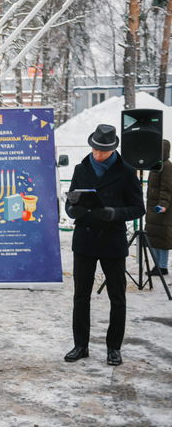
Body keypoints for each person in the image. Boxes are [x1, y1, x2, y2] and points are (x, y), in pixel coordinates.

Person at [64, 124, 145, 366]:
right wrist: (72, 209)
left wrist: (114, 213)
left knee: (117, 297)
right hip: (85, 239)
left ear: (113, 149)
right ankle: (80, 345)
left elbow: (138, 208)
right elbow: (71, 201)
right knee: (81, 296)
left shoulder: (127, 172)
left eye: (103, 151)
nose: (98, 154)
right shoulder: (81, 168)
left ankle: (114, 348)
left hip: (112, 240)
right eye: (95, 149)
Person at [146, 139, 172, 276]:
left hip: (161, 208)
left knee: (162, 238)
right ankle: (157, 265)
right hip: (153, 208)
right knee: (154, 237)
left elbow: (167, 188)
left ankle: (162, 266)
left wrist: (163, 205)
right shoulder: (156, 165)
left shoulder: (167, 166)